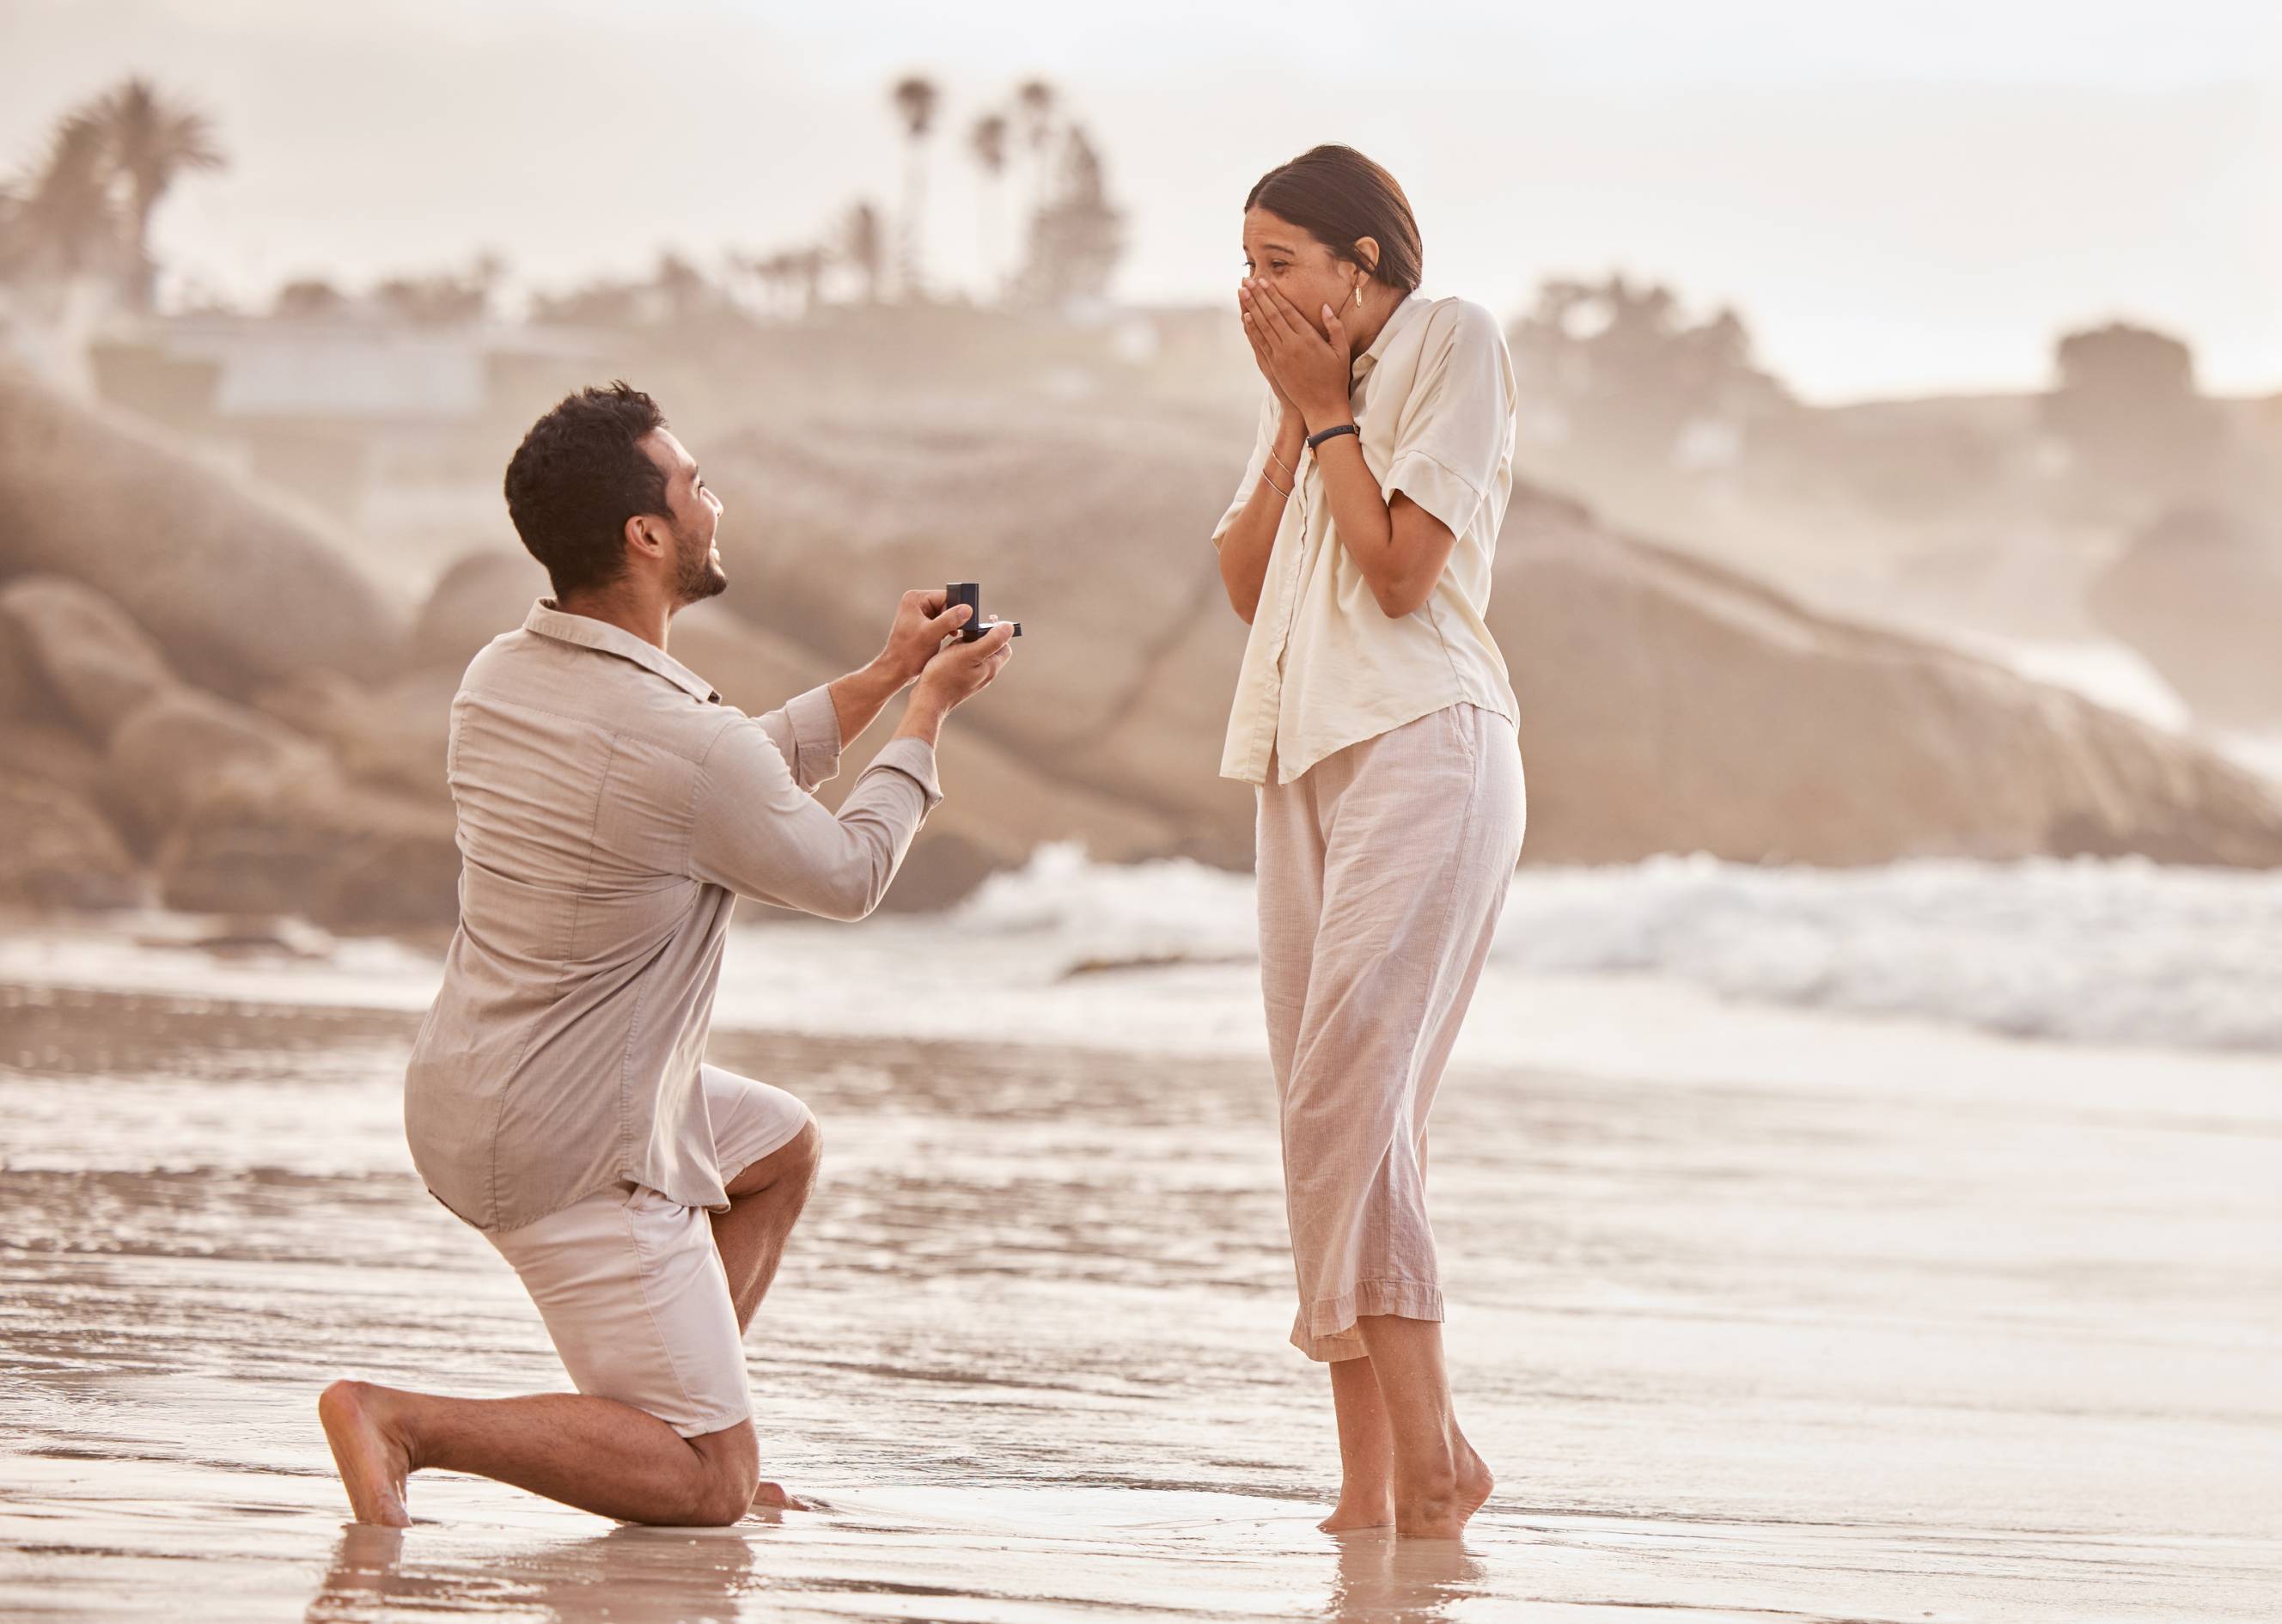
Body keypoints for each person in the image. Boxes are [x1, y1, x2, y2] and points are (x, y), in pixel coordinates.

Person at [318, 382, 1015, 1528]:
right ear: (648, 534)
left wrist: (890, 673)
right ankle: (426, 1423)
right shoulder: (679, 742)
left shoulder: (501, 678)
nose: (713, 502)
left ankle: (668, 1413)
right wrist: (927, 718)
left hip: (472, 1089)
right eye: (695, 485)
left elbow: (717, 771)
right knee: (712, 1486)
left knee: (778, 1146)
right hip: (572, 1139)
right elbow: (842, 873)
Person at [1210, 146, 1525, 1540]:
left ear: (1366, 263)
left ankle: (1436, 1456)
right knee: (1323, 1118)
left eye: (1281, 261)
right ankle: (1370, 1481)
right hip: (1301, 759)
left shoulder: (1453, 338)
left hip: (1425, 742)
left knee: (1350, 1094)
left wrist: (1331, 408)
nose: (1256, 288)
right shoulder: (1310, 394)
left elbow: (1401, 574)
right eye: (1249, 262)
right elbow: (1242, 579)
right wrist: (1296, 415)